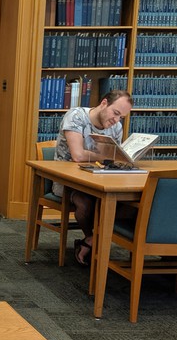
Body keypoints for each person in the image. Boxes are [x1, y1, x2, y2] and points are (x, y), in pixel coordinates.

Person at [53, 90, 133, 266]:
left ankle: (91, 240)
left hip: (98, 179)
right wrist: (106, 156)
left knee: (127, 202)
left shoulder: (115, 127)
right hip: (67, 181)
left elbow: (113, 159)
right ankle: (94, 239)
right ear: (104, 103)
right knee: (86, 203)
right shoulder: (76, 116)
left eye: (122, 117)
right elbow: (78, 156)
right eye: (116, 113)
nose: (116, 121)